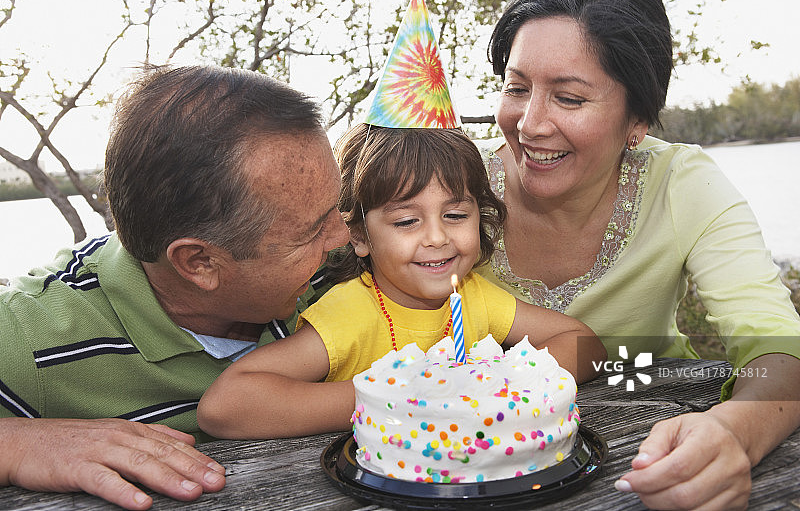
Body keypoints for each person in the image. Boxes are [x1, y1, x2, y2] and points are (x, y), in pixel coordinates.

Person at [476, 0, 800, 509]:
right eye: (516, 88)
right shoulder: (449, 185)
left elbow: (777, 347)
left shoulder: (683, 183)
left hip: (647, 429)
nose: (529, 124)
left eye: (570, 97)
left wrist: (733, 431)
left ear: (638, 121)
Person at [0, 65, 350, 510]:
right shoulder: (27, 334)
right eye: (313, 231)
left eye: (337, 207)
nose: (343, 237)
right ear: (199, 262)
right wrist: (14, 444)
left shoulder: (334, 275)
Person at [197, 123, 607, 439]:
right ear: (358, 235)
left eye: (456, 215)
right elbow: (225, 407)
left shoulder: (471, 297)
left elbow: (586, 346)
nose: (436, 237)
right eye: (407, 221)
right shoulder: (351, 313)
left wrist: (498, 384)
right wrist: (401, 397)